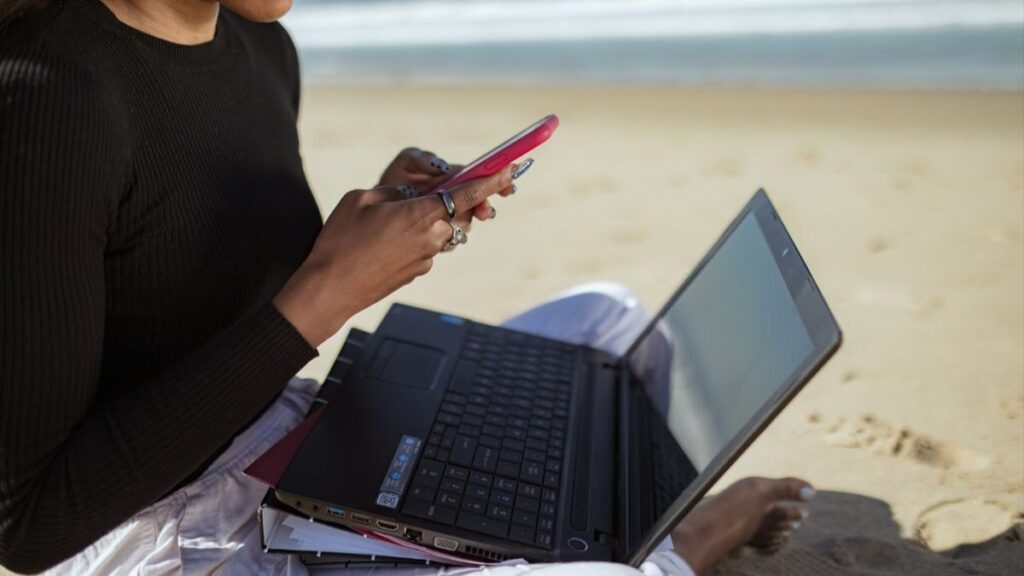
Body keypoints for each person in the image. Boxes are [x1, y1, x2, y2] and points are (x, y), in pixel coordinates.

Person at [0, 1, 813, 574]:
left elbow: (190, 279)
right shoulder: (48, 99)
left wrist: (373, 226)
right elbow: (30, 525)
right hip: (153, 528)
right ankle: (683, 546)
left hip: (284, 439)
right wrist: (329, 290)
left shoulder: (261, 47)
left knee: (612, 316)